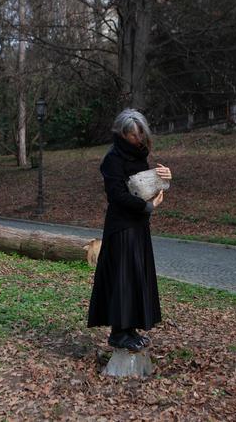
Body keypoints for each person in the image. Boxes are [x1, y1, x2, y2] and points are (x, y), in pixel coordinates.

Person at [87, 108, 172, 352]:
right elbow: (117, 195)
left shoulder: (138, 153)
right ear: (123, 134)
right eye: (135, 135)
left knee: (136, 277)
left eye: (141, 134)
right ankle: (118, 333)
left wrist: (165, 177)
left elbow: (143, 185)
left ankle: (130, 329)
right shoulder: (112, 159)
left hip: (138, 224)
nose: (139, 139)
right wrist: (147, 207)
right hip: (121, 227)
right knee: (123, 279)